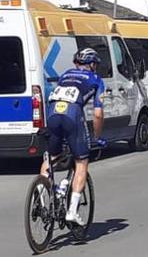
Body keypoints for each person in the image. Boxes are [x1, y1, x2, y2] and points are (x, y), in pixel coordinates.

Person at [41, 48, 107, 225]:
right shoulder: (96, 80)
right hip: (73, 115)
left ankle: (43, 195)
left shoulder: (64, 75)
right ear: (92, 65)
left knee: (51, 157)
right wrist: (98, 136)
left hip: (53, 113)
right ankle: (72, 210)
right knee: (81, 162)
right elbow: (98, 114)